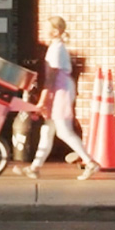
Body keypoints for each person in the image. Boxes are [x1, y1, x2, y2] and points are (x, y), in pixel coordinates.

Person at [13, 16, 100, 180]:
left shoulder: (56, 49)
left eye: (47, 27)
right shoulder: (56, 47)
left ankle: (90, 162)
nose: (44, 30)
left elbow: (51, 78)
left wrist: (43, 100)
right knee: (47, 130)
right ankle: (35, 167)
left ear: (55, 31)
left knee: (63, 131)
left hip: (61, 92)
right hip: (60, 90)